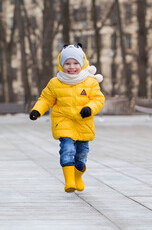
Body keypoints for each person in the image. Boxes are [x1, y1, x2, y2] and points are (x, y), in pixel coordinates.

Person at [29, 43, 105, 193]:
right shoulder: (55, 83)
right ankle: (69, 181)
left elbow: (98, 99)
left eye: (76, 63)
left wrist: (89, 109)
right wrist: (37, 110)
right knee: (67, 150)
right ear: (61, 64)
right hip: (63, 122)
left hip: (84, 124)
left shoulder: (90, 82)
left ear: (82, 64)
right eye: (67, 63)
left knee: (82, 155)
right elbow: (45, 99)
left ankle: (78, 176)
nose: (71, 67)